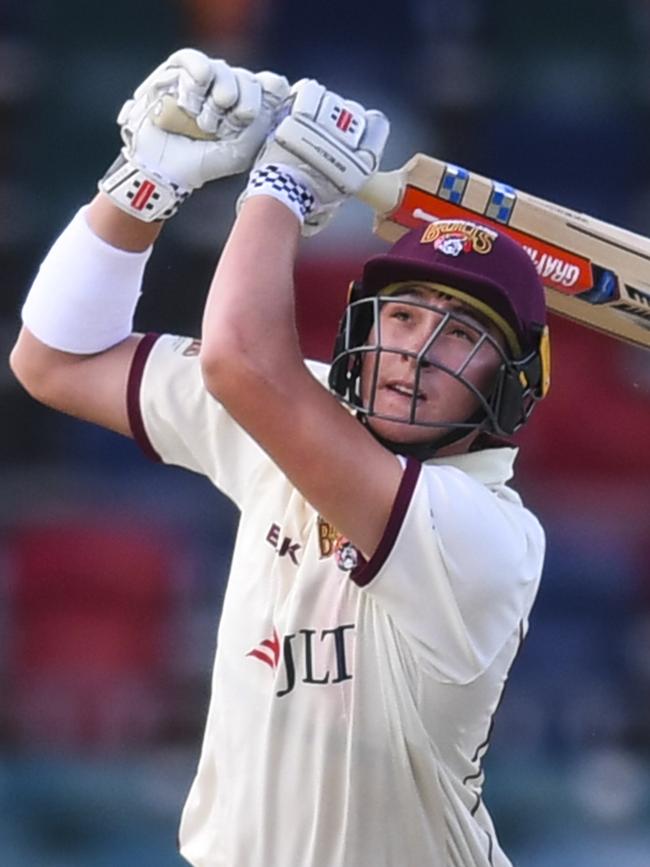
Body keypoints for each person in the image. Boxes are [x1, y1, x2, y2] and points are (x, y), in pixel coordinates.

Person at [10, 48, 551, 867]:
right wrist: (143, 184)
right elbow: (51, 358)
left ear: (509, 389)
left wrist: (284, 186)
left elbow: (238, 361)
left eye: (464, 334)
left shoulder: (484, 535)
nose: (417, 351)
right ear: (361, 328)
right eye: (401, 317)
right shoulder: (298, 404)